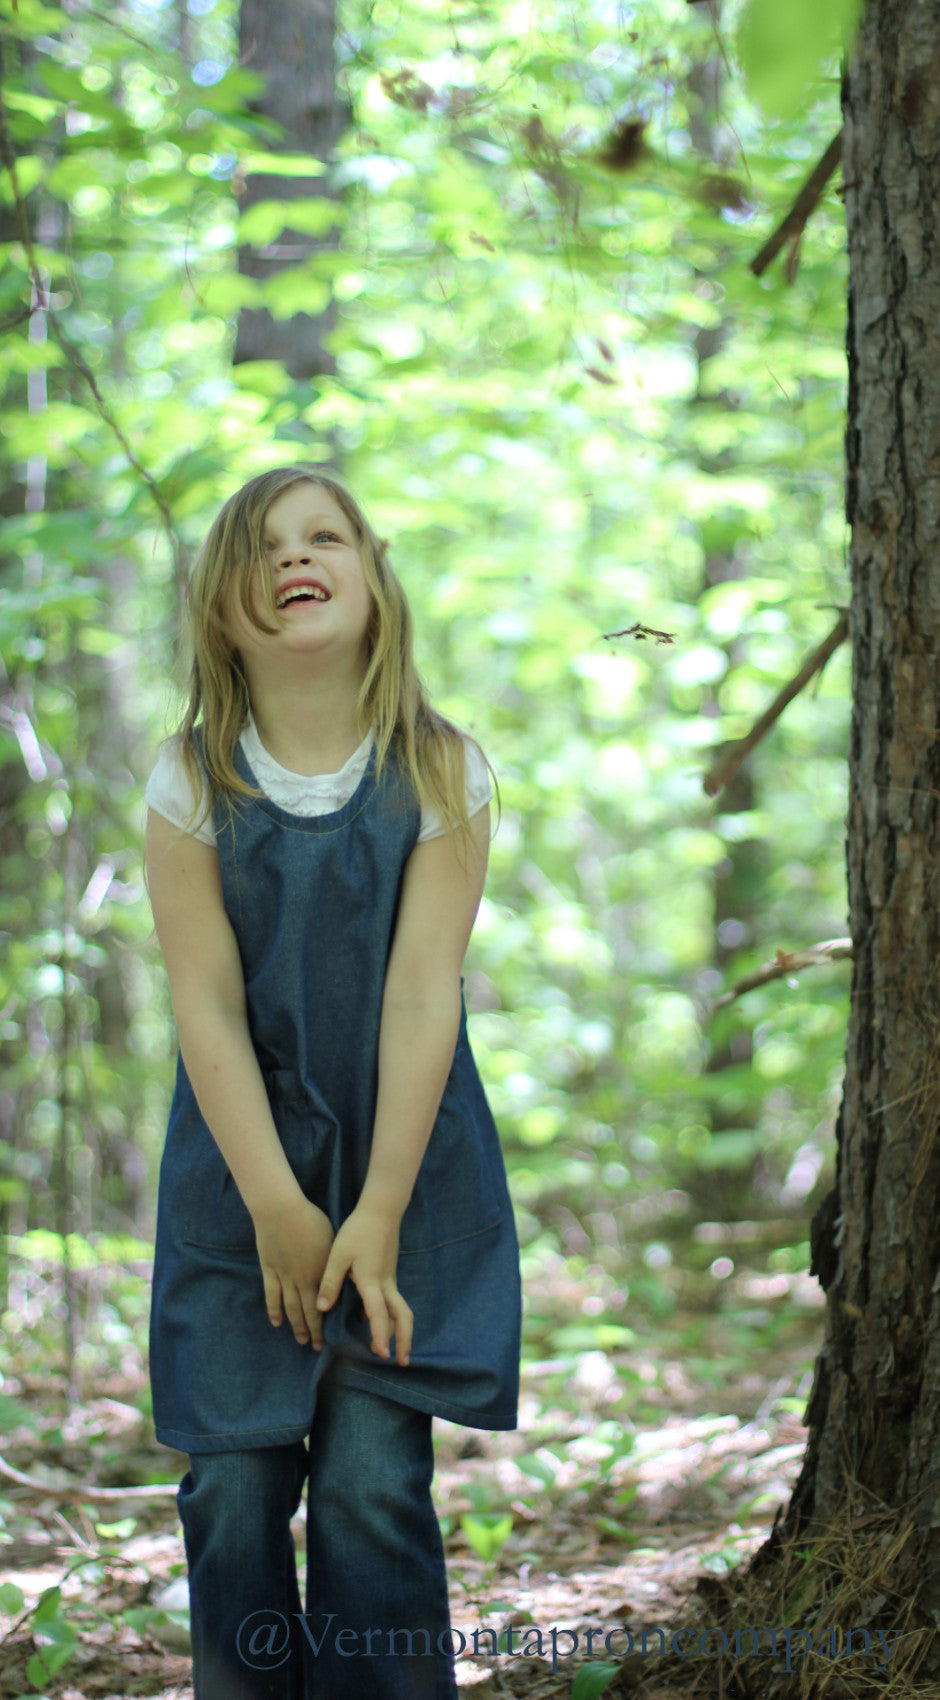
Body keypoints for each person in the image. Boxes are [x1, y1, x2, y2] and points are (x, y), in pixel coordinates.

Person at [144, 467, 521, 1700]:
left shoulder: (441, 769)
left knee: (369, 1475)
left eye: (322, 536)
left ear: (371, 574)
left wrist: (372, 1210)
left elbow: (424, 994)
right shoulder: (191, 778)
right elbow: (203, 1003)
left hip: (402, 1165)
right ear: (220, 605)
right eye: (261, 546)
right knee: (235, 1480)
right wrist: (273, 1201)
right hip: (239, 1174)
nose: (292, 558)